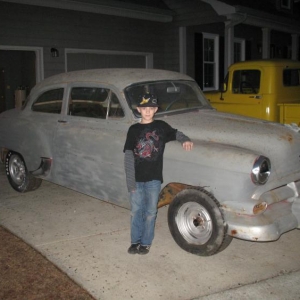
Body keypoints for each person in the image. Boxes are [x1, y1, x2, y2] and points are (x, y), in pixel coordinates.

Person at [123, 93, 193, 255]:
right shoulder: (133, 129)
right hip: (136, 179)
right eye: (144, 108)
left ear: (155, 110)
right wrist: (130, 182)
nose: (147, 111)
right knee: (136, 211)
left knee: (150, 212)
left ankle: (146, 243)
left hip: (154, 179)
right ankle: (135, 241)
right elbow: (128, 155)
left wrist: (185, 139)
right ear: (139, 110)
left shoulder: (161, 126)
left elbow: (176, 133)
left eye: (151, 108)